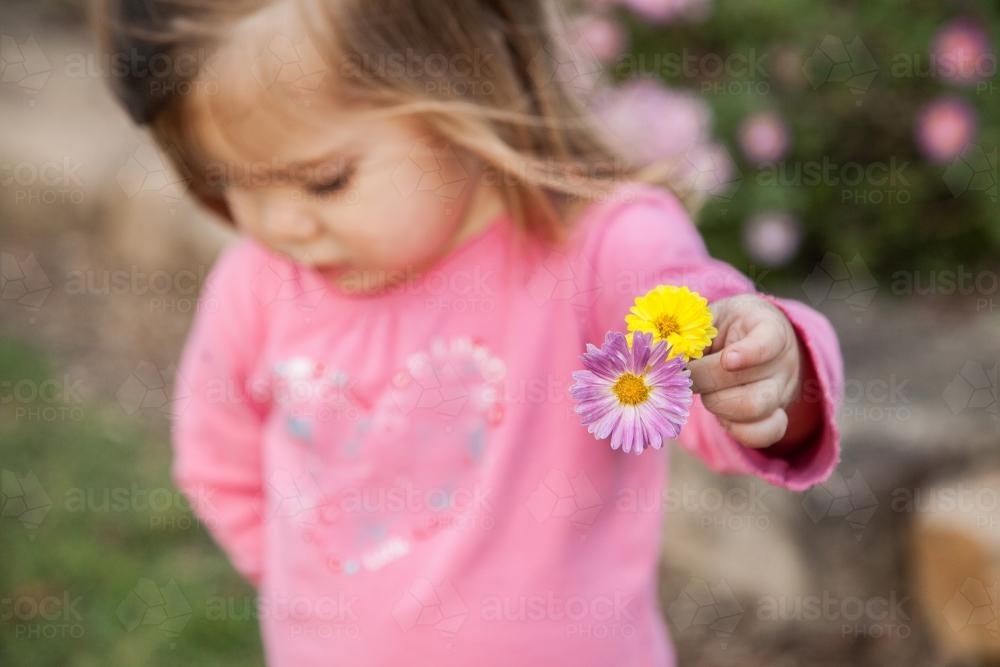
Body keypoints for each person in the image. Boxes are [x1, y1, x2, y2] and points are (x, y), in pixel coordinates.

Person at [97, 0, 843, 664]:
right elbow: (218, 456)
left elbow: (703, 360)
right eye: (232, 181)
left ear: (466, 82)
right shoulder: (259, 283)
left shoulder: (598, 249)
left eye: (325, 179)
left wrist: (765, 373)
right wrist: (314, 598)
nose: (279, 223)